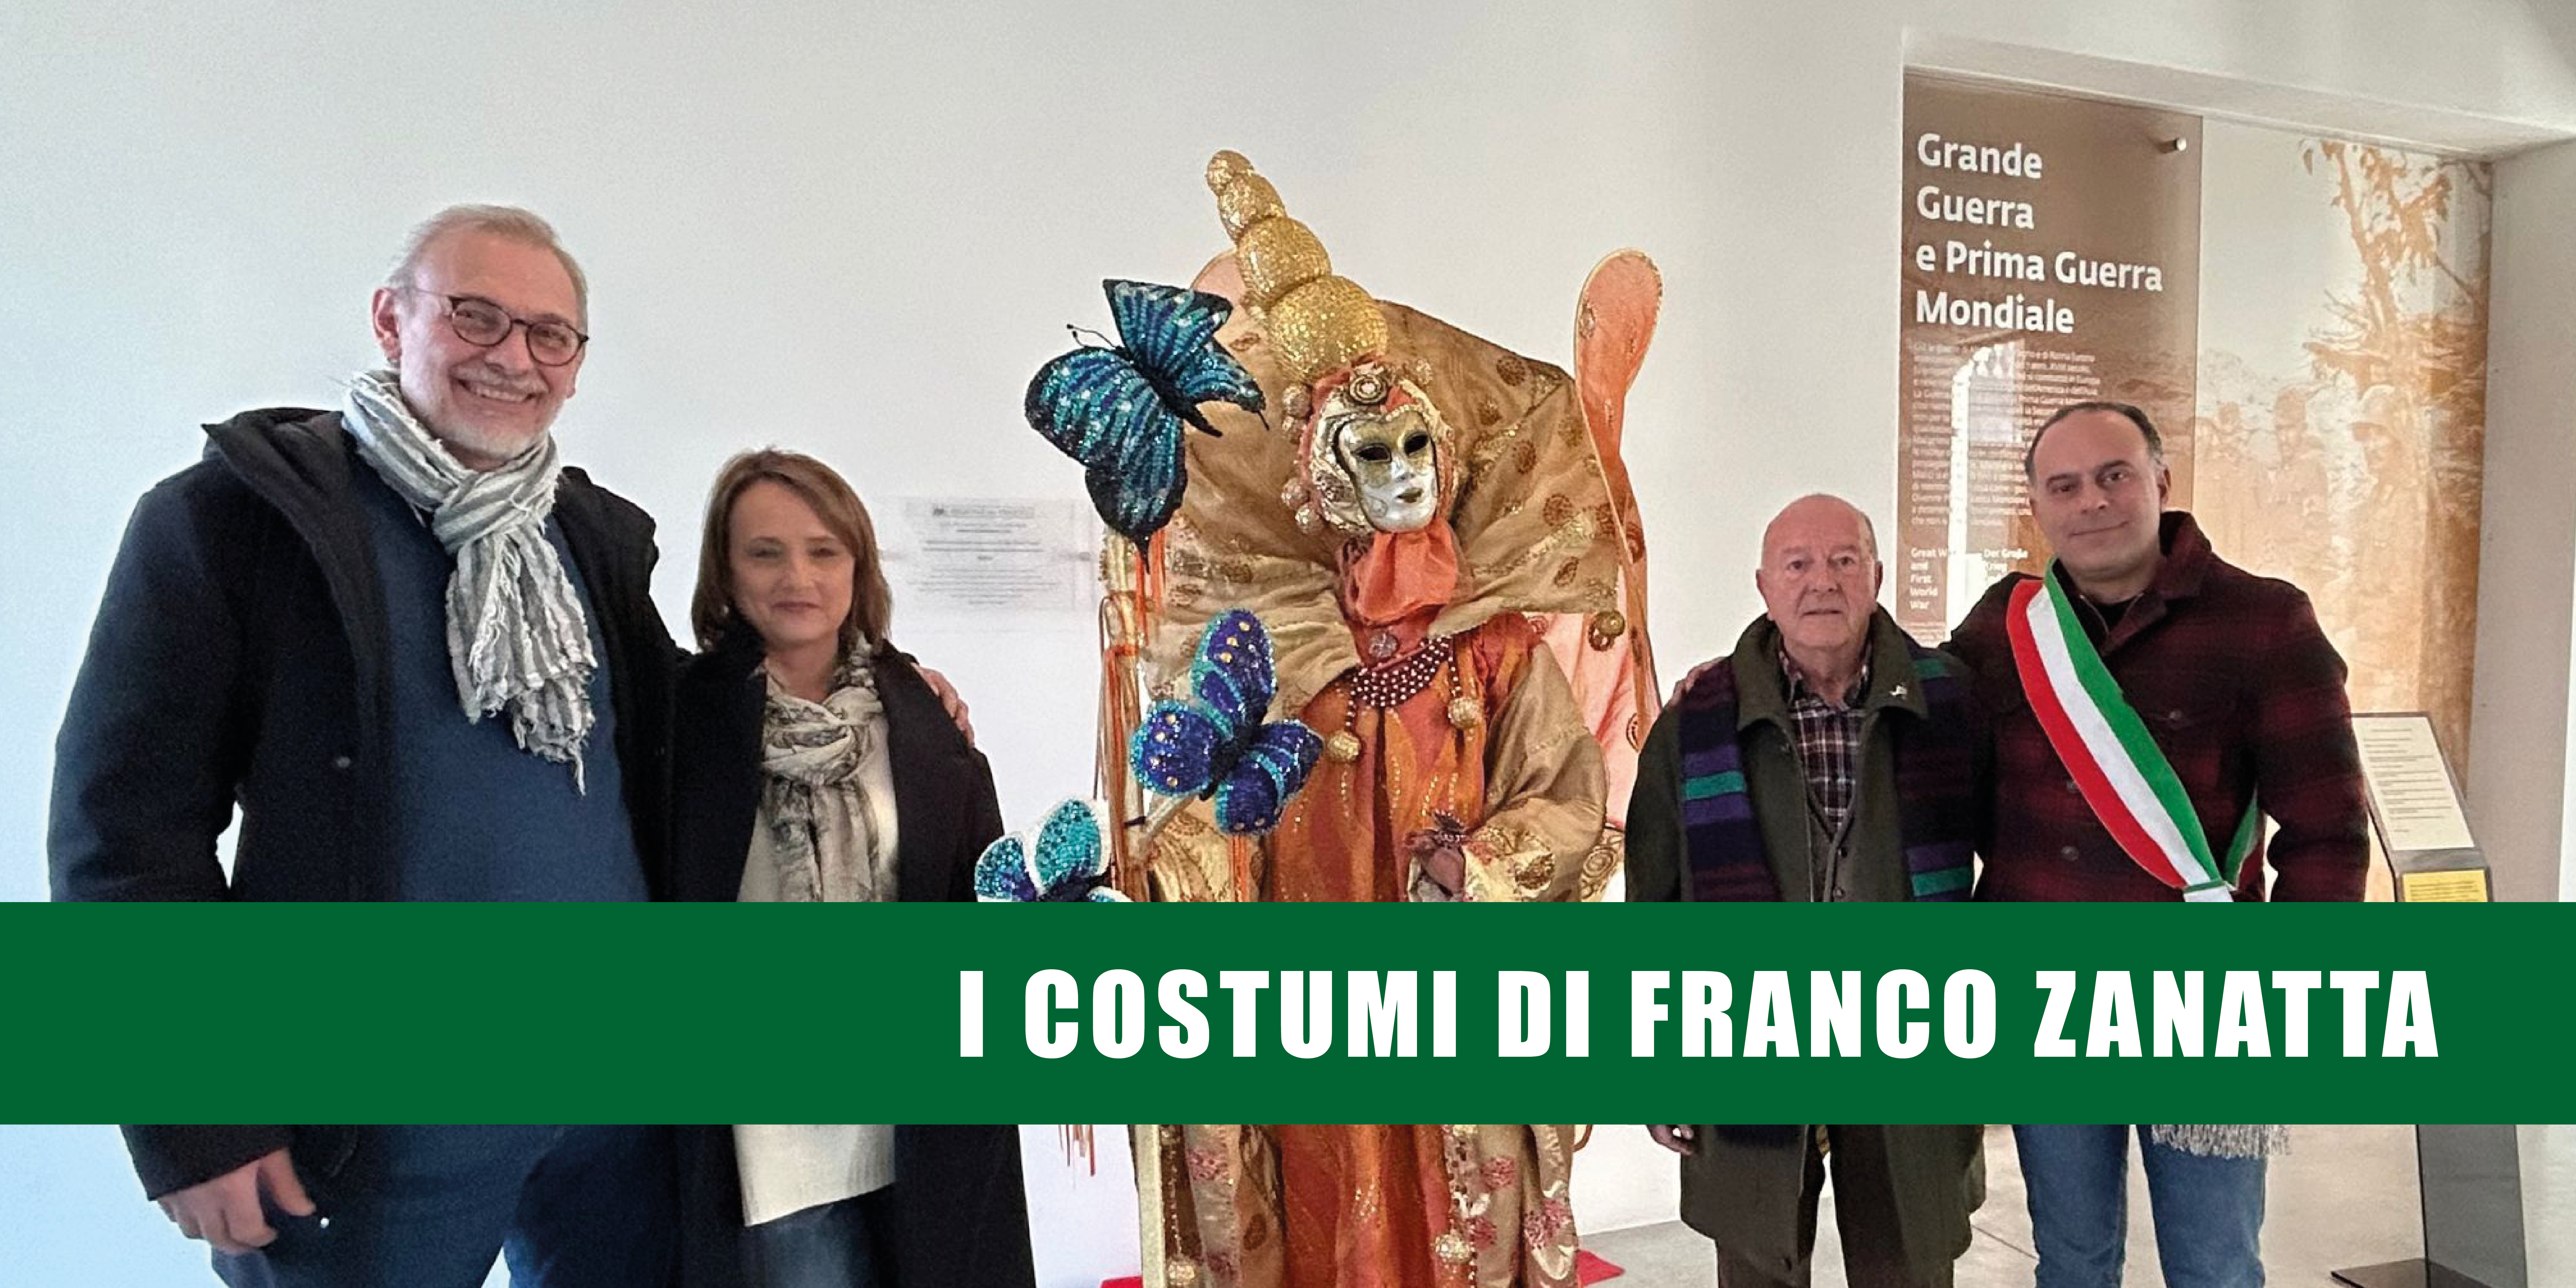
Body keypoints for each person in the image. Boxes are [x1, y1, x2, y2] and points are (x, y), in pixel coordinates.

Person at [49, 205, 677, 1282]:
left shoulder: (589, 536)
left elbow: (677, 735)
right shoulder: (238, 521)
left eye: (549, 334)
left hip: (611, 1107)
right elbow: (125, 834)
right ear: (392, 320)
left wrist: (876, 682)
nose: (513, 357)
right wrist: (190, 1112)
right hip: (378, 1126)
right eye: (475, 316)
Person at [1117, 152, 1646, 1288]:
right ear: (1319, 475)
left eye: (1417, 449)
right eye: (1371, 453)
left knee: (1454, 1213)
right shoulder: (1268, 651)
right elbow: (1201, 812)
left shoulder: (1495, 651)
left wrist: (1485, 867)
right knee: (1323, 1202)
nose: (1401, 476)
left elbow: (1567, 797)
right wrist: (1178, 874)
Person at [1947, 400, 2368, 1288]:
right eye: (2063, 486)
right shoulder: (2002, 628)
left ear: (2160, 481)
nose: (2090, 502)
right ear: (2035, 507)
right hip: (2046, 999)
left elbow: (2325, 832)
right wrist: (1738, 677)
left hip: (2204, 1003)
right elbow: (1903, 712)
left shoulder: (2264, 620)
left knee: (2213, 1262)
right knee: (2070, 1256)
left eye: (2114, 476)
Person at [667, 448, 1035, 1288]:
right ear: (725, 569)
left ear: (858, 566)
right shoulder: (684, 719)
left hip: (918, 1117)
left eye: (823, 550)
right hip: (774, 1136)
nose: (797, 576)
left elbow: (980, 902)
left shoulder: (923, 718)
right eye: (765, 552)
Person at [1627, 494, 1983, 1287]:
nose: (1821, 581)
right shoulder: (1697, 719)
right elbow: (1653, 903)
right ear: (1763, 585)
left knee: (1909, 1258)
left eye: (1842, 560)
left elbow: (2011, 859)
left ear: (1876, 576)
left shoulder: (1950, 701)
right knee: (1758, 1257)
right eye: (1797, 564)